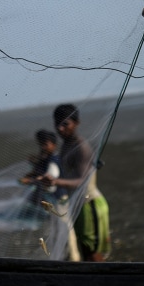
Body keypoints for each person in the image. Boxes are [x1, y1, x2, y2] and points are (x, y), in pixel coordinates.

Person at [41, 104, 111, 262]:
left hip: (90, 204)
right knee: (84, 250)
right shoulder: (66, 146)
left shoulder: (81, 147)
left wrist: (56, 181)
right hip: (78, 205)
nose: (60, 128)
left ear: (77, 123)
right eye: (57, 124)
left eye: (65, 124)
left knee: (92, 253)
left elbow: (81, 181)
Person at [18, 129, 63, 208]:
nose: (43, 147)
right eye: (41, 144)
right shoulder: (45, 158)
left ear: (54, 145)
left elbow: (49, 179)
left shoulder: (53, 161)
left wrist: (30, 180)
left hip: (56, 198)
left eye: (46, 144)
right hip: (47, 196)